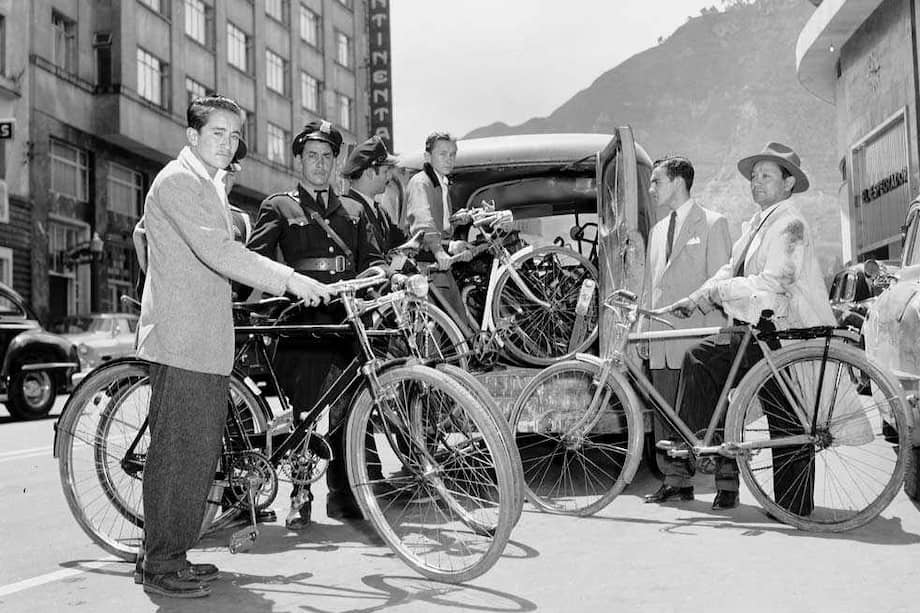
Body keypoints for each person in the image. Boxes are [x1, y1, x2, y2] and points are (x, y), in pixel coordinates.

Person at [133, 95, 330, 598]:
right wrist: (289, 279)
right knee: (178, 454)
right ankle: (160, 563)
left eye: (234, 134)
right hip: (182, 340)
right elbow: (219, 252)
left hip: (203, 338)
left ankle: (170, 554)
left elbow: (153, 238)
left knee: (197, 454)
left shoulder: (207, 183)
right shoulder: (178, 182)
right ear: (193, 136)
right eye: (217, 133)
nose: (227, 142)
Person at [651, 142, 835, 513]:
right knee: (703, 360)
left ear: (788, 184)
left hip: (784, 331)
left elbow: (773, 281)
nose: (757, 183)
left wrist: (718, 291)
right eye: (754, 177)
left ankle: (793, 504)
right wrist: (698, 297)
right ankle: (700, 445)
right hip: (760, 329)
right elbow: (729, 270)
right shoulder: (756, 224)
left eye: (767, 176)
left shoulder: (789, 223)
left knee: (786, 417)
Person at [245, 120, 382, 530]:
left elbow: (372, 261)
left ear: (336, 161)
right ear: (300, 160)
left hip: (343, 323)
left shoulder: (355, 212)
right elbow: (256, 262)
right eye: (311, 157)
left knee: (346, 413)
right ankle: (299, 495)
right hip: (299, 326)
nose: (320, 165)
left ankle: (344, 495)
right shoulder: (279, 206)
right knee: (302, 416)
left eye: (326, 157)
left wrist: (373, 283)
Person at [642, 156, 731, 503]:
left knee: (712, 412)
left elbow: (720, 283)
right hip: (661, 337)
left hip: (698, 337)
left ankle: (726, 483)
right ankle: (676, 479)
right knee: (665, 411)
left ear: (678, 182)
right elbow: (651, 287)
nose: (651, 190)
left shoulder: (713, 223)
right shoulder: (656, 231)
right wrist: (644, 332)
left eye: (656, 182)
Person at [404, 131, 471, 317]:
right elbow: (424, 223)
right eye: (442, 154)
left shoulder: (441, 183)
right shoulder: (420, 183)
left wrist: (458, 219)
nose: (449, 159)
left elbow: (440, 225)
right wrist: (440, 250)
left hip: (438, 263)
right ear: (427, 157)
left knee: (457, 321)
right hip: (425, 264)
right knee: (435, 329)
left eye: (452, 155)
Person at [341, 136, 405, 252]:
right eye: (385, 172)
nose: (389, 177)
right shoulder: (348, 212)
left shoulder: (380, 211)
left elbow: (401, 242)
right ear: (370, 173)